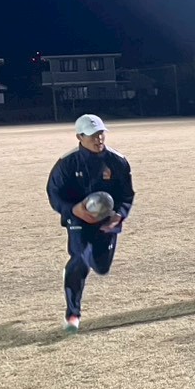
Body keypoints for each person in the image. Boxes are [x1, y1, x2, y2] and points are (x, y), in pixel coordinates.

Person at [46, 114, 135, 332]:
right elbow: (54, 195)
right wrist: (73, 209)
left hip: (107, 222)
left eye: (101, 133)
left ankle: (76, 270)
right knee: (80, 260)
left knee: (102, 267)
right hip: (78, 220)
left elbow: (127, 194)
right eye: (92, 135)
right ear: (79, 137)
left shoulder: (117, 161)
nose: (99, 138)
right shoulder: (67, 163)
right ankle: (72, 315)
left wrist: (119, 215)